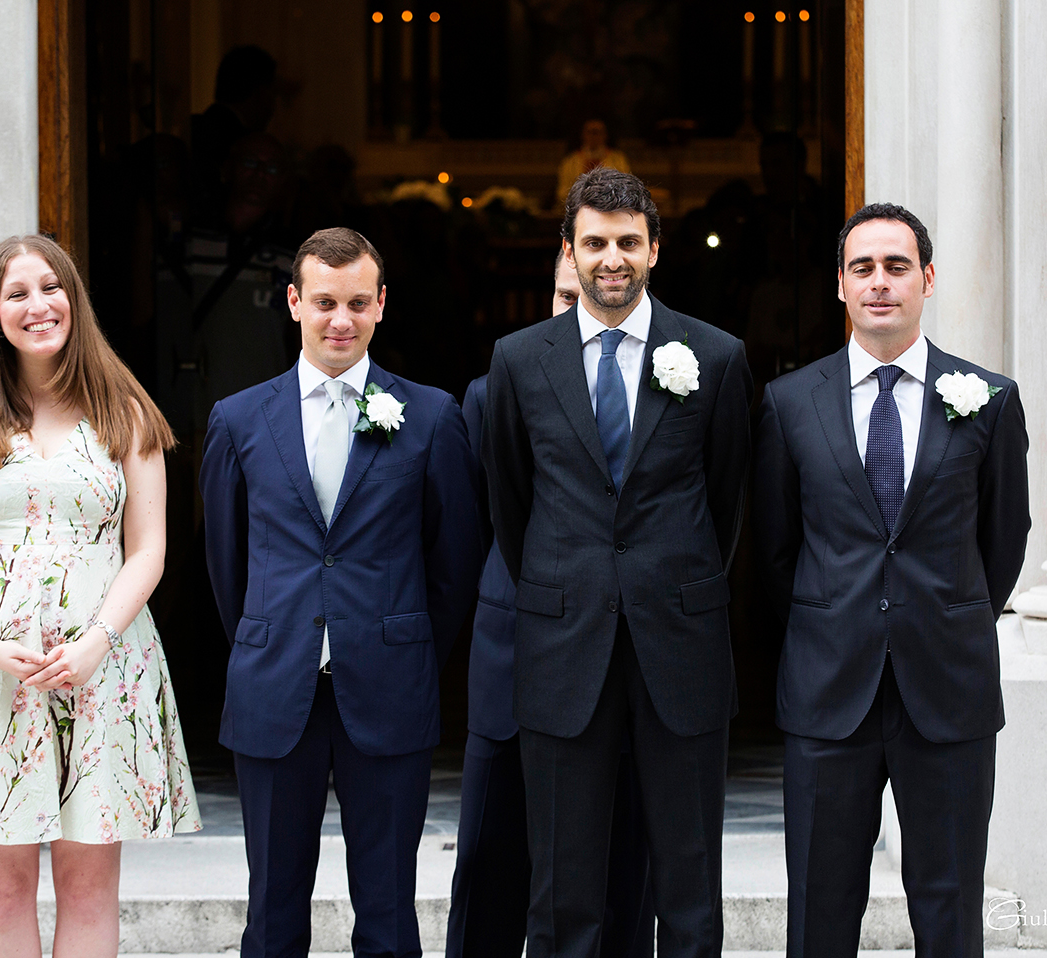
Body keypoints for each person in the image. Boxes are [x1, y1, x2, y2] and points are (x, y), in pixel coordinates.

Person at [0, 234, 200, 957]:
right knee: (1, 890)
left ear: (74, 299)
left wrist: (96, 640)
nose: (38, 305)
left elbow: (149, 549)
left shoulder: (124, 411)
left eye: (50, 287)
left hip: (102, 667)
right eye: (16, 293)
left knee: (90, 885)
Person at [482, 167, 753, 958]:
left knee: (690, 885)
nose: (612, 259)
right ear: (568, 248)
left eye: (628, 242)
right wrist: (571, 583)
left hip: (682, 646)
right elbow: (512, 502)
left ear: (655, 250)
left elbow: (728, 498)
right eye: (594, 242)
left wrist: (674, 582)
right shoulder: (519, 359)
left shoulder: (717, 355)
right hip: (564, 646)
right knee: (563, 891)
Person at [752, 203, 1030, 957]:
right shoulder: (787, 403)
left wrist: (941, 612)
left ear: (928, 279)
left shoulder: (989, 399)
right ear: (839, 285)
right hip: (826, 691)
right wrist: (836, 619)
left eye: (897, 266)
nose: (880, 283)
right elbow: (774, 552)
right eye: (863, 268)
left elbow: (1003, 541)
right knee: (820, 906)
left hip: (948, 689)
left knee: (948, 905)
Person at [200, 227, 481, 957]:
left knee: (389, 912)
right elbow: (227, 563)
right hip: (273, 685)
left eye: (358, 303)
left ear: (382, 305)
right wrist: (274, 636)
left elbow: (452, 566)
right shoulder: (237, 420)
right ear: (294, 302)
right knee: (272, 914)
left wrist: (401, 641)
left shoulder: (429, 417)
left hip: (389, 684)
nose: (340, 320)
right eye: (324, 302)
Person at [450, 251, 653, 958]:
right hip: (514, 659)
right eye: (566, 297)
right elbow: (474, 528)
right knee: (489, 861)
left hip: (624, 662)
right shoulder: (490, 392)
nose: (579, 313)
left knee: (621, 865)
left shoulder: (665, 389)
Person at [556, 119, 632, 204]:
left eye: (597, 132)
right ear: (583, 135)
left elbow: (625, 189)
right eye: (590, 132)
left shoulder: (617, 160)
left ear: (605, 135)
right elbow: (563, 192)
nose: (594, 136)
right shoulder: (571, 162)